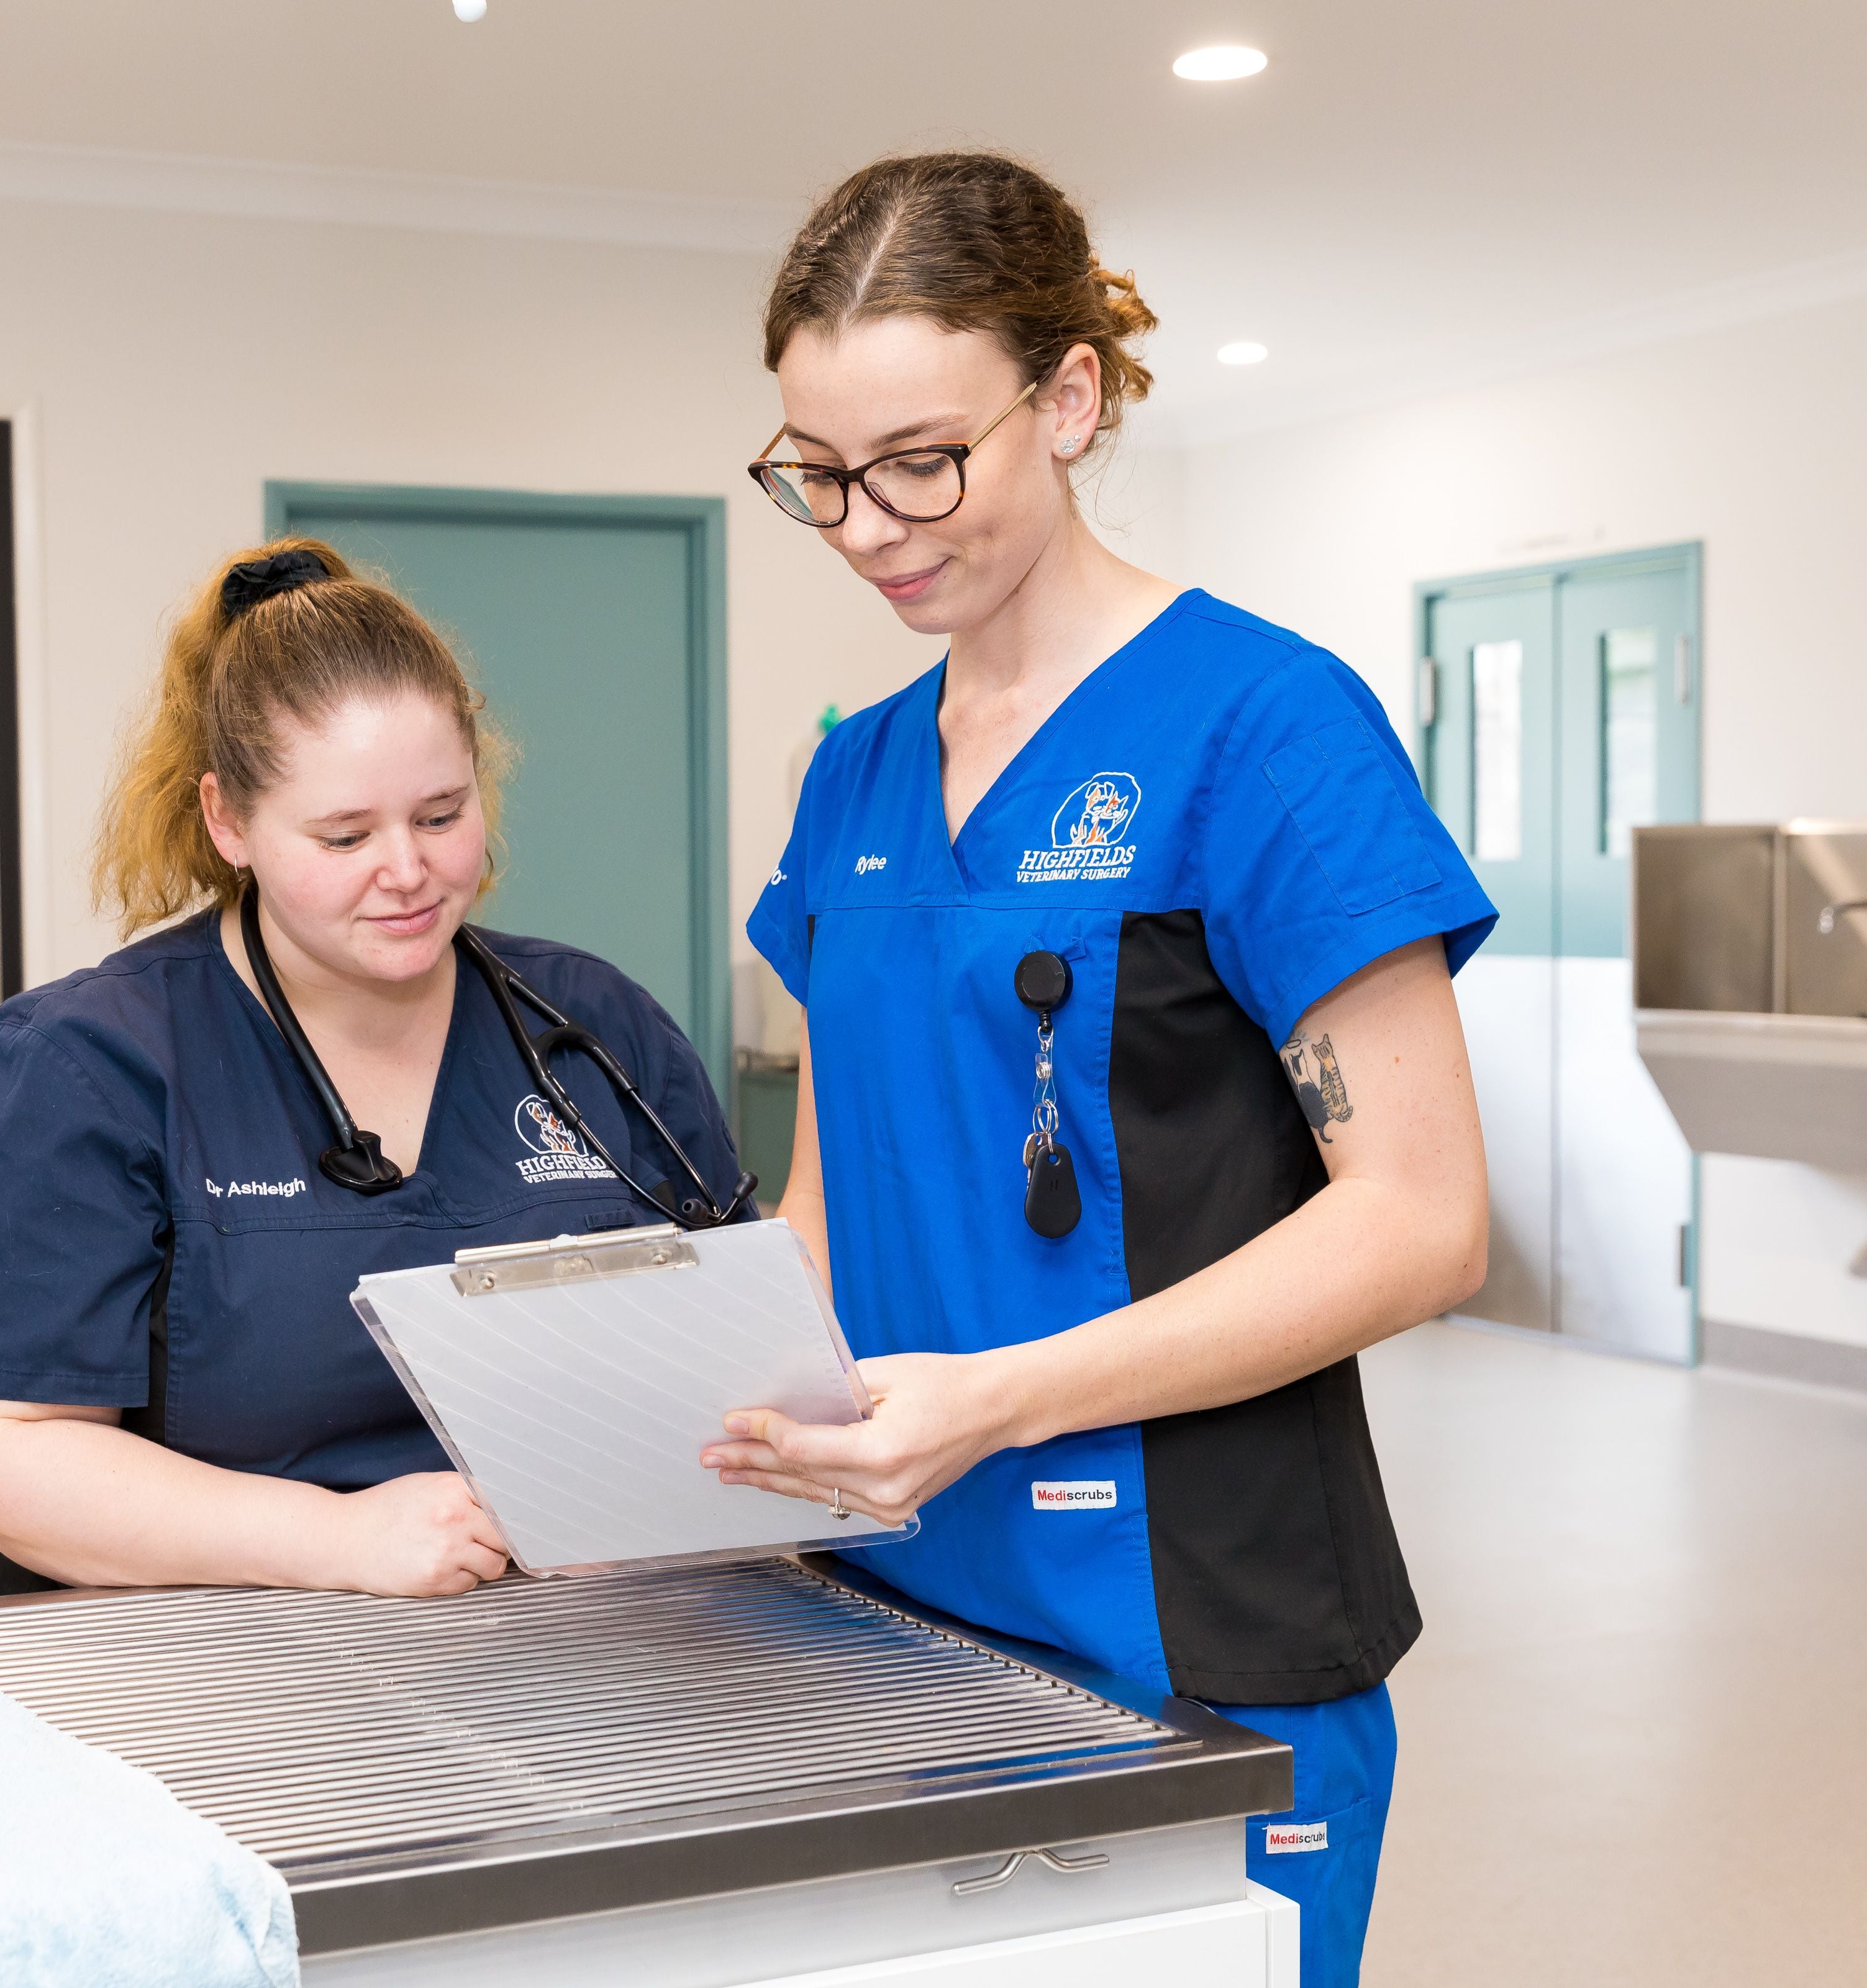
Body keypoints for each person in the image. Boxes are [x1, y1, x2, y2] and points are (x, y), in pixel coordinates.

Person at [698, 153, 1496, 1988]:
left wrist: (1000, 1398)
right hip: (892, 1610)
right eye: (818, 473)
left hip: (1192, 1626)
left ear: (1068, 399)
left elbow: (1422, 1220)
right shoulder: (856, 770)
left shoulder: (1264, 729)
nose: (868, 526)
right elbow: (828, 1202)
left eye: (922, 460)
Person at [0, 539, 747, 1600]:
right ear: (228, 821)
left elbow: (734, 1339)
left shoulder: (594, 1024)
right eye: (345, 838)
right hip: (185, 1654)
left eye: (441, 816)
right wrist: (332, 1538)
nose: (409, 871)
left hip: (537, 1638)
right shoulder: (78, 1066)